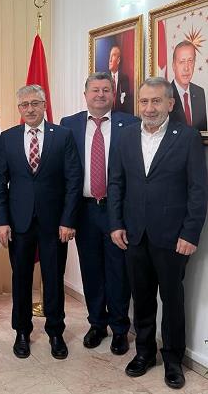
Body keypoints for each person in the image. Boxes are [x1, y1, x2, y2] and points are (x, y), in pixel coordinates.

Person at [108, 77, 207, 389]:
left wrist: (190, 233)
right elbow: (116, 183)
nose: (149, 108)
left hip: (173, 236)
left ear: (170, 104)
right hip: (134, 233)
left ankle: (173, 359)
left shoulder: (187, 137)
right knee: (141, 297)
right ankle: (144, 352)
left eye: (156, 101)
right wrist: (116, 223)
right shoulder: (125, 136)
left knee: (172, 299)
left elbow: (198, 190)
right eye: (144, 101)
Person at [0, 84, 82, 359]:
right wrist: (1, 221)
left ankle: (56, 332)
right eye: (24, 105)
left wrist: (68, 220)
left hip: (55, 224)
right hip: (18, 223)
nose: (30, 109)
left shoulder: (63, 136)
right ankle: (22, 331)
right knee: (20, 278)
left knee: (53, 278)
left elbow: (74, 180)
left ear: (44, 105)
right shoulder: (7, 138)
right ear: (19, 108)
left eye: (35, 103)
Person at [60, 72, 139, 355]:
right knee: (91, 270)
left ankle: (119, 329)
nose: (101, 94)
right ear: (86, 95)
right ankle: (97, 324)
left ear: (113, 94)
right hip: (84, 210)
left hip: (117, 211)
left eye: (106, 89)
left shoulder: (130, 123)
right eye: (95, 90)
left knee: (118, 272)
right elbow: (65, 172)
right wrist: (67, 216)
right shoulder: (69, 124)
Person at [170, 40, 207, 131]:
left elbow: (203, 132)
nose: (186, 68)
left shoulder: (199, 92)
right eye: (182, 61)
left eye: (190, 61)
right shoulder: (165, 95)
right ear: (174, 66)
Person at [108, 45, 133, 114]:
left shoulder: (124, 78)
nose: (110, 60)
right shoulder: (104, 78)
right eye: (110, 56)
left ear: (118, 60)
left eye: (113, 55)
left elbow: (127, 102)